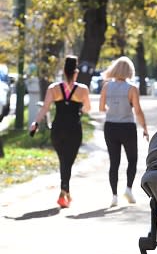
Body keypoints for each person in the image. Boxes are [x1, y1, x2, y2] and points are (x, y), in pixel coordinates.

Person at [29, 55, 91, 208]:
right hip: (74, 129)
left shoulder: (53, 88)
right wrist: (80, 109)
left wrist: (35, 123)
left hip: (58, 129)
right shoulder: (82, 90)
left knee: (63, 160)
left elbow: (45, 108)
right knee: (68, 161)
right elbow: (87, 109)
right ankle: (64, 192)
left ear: (64, 71)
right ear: (75, 73)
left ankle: (65, 192)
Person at [99, 56, 149, 207]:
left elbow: (101, 109)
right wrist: (145, 128)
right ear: (129, 71)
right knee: (132, 159)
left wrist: (112, 109)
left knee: (114, 162)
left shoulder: (106, 87)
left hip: (110, 127)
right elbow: (138, 111)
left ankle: (114, 196)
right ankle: (128, 189)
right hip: (127, 127)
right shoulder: (132, 88)